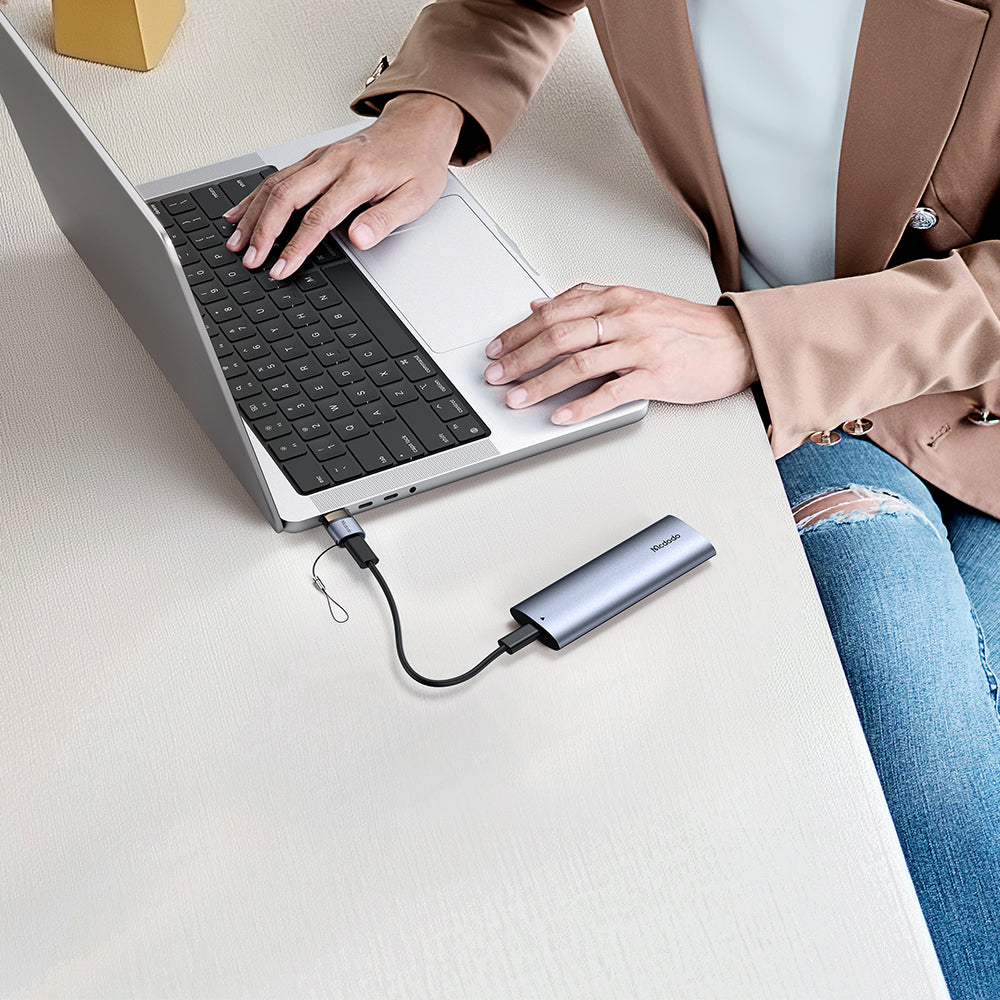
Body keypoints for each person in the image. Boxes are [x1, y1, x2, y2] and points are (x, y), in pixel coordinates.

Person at [224, 1, 1000, 994]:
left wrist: (751, 340)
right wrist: (428, 110)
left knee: (933, 779)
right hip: (819, 409)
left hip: (898, 373)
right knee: (911, 721)